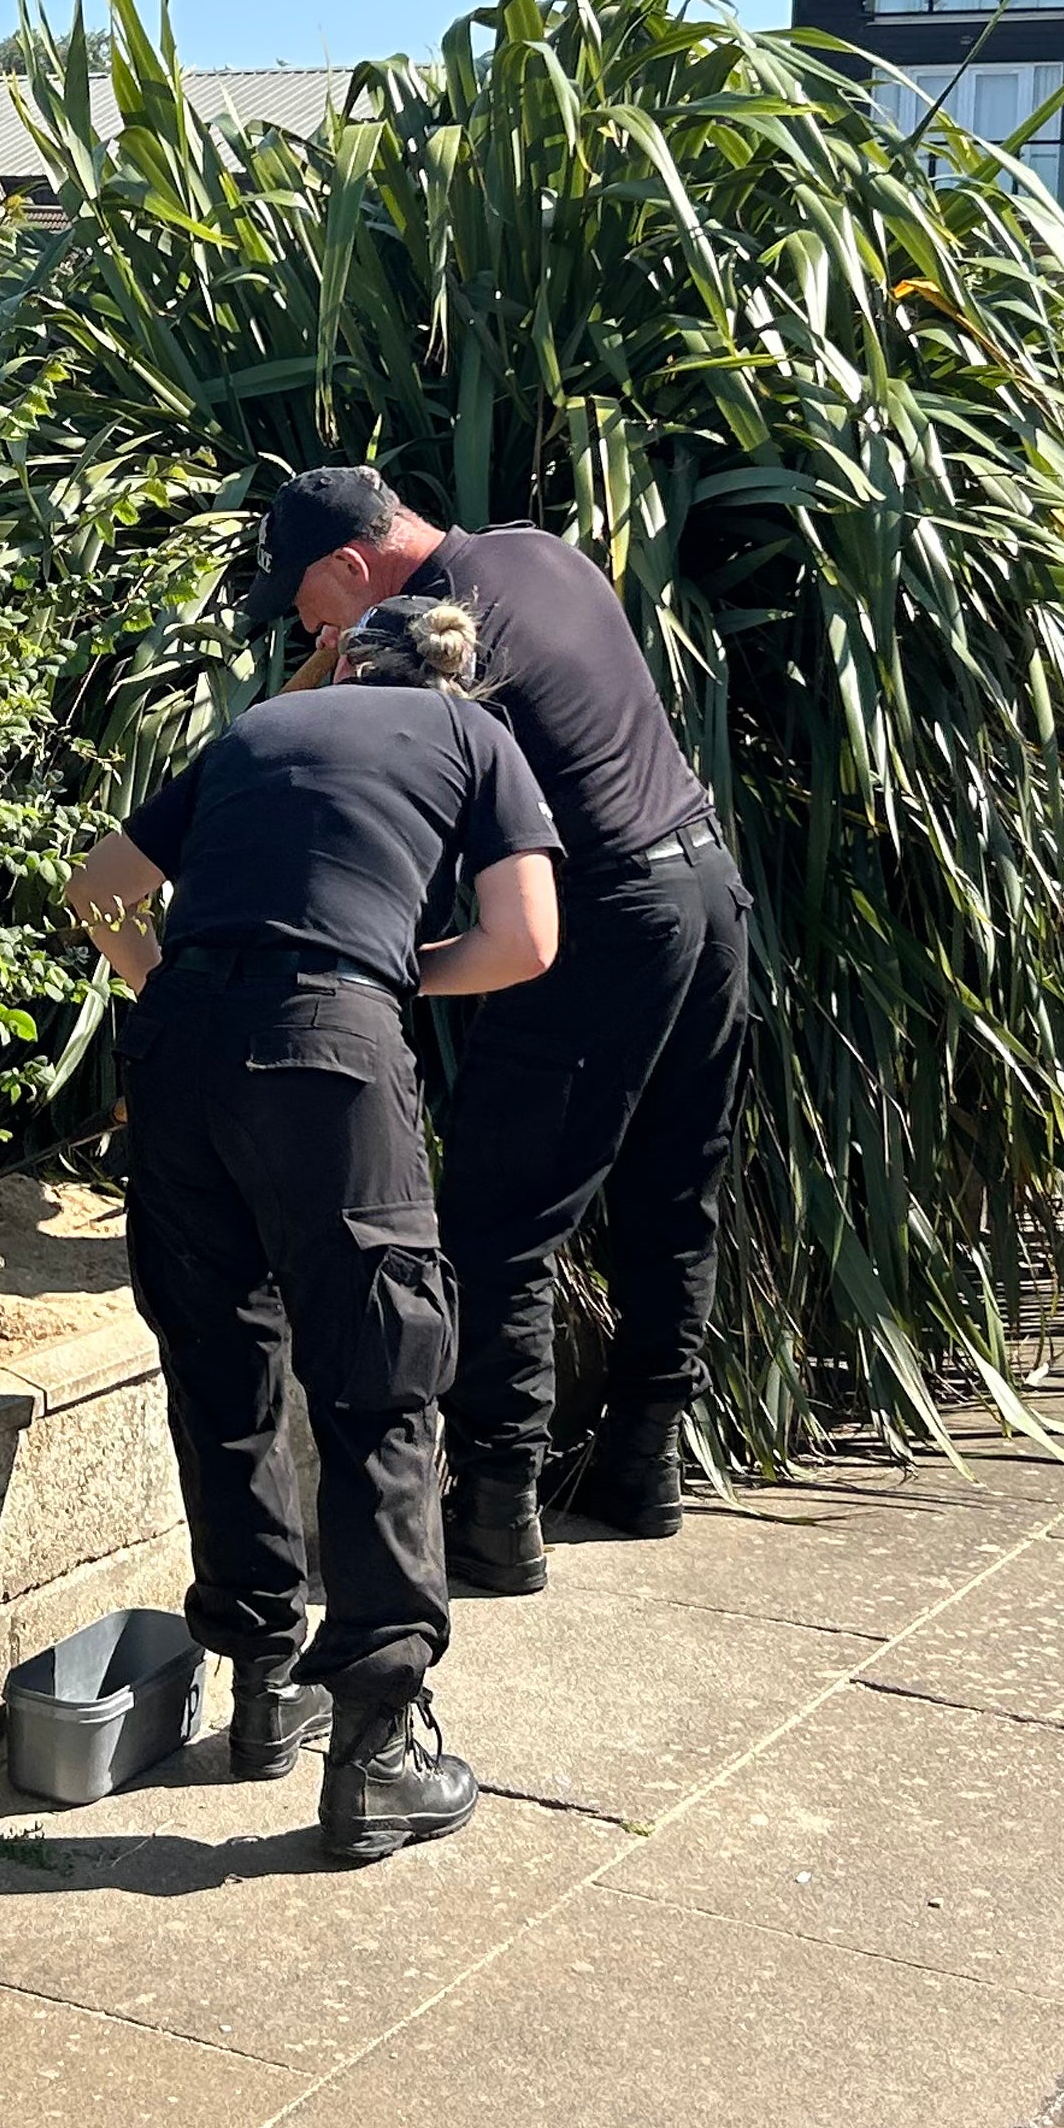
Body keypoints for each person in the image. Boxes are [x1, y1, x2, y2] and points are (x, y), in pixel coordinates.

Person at [66, 594, 562, 1863]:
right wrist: (387, 974)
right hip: (330, 1049)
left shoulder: (257, 731)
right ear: (454, 679)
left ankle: (258, 1685)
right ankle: (382, 1750)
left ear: (344, 655)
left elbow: (102, 893)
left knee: (221, 1366)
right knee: (379, 1380)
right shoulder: (471, 739)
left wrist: (182, 998)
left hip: (176, 1049)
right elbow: (525, 941)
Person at [236, 465, 752, 1599]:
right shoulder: (531, 550)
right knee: (675, 1191)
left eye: (308, 603)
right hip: (707, 892)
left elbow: (383, 797)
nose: (307, 628)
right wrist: (343, 648)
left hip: (604, 922)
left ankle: (496, 1517)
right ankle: (643, 1470)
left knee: (498, 1223)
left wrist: (371, 967)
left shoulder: (444, 631)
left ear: (353, 566)